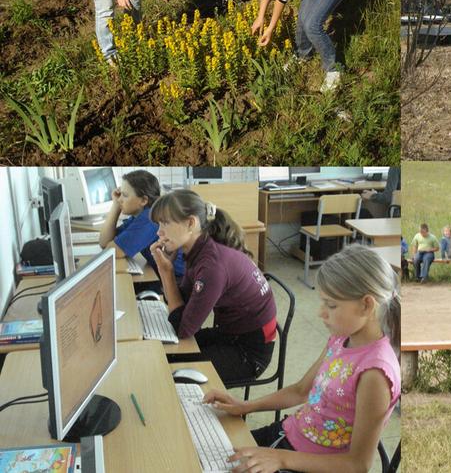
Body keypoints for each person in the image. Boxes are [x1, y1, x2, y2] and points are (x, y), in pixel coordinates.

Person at [204, 245, 400, 473]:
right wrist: (246, 406)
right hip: (288, 436)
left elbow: (358, 465)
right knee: (210, 452)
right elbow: (301, 391)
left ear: (366, 305)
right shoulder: (341, 339)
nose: (321, 312)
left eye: (331, 304)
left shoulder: (375, 373)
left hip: (311, 464)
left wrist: (281, 459)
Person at [149, 189, 278, 383]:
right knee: (163, 353)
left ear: (190, 223)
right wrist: (165, 268)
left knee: (171, 373)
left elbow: (183, 329)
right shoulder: (199, 249)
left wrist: (166, 271)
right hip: (230, 333)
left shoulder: (211, 265)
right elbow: (181, 301)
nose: (159, 232)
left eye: (165, 223)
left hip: (248, 352)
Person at [97, 169, 184, 286]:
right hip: (165, 275)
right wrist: (116, 205)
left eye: (125, 195)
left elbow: (112, 251)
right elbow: (104, 242)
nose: (120, 199)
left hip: (179, 281)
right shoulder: (139, 217)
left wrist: (116, 206)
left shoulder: (149, 219)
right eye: (120, 194)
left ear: (143, 200)